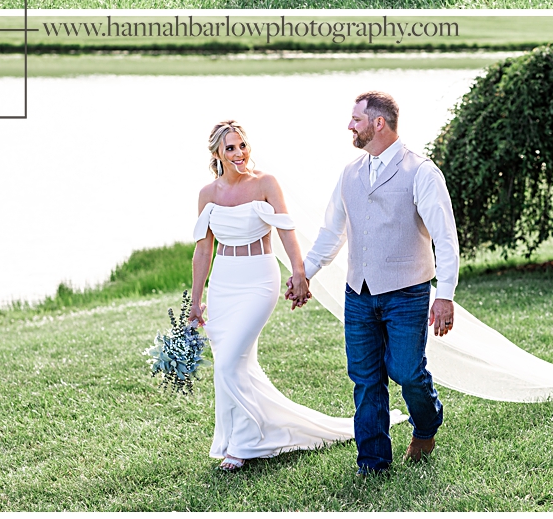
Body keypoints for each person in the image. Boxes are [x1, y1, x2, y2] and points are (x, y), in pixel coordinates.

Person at [290, 91, 460, 475]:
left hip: (407, 291)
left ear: (378, 123)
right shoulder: (349, 172)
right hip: (359, 294)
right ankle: (373, 462)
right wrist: (305, 273)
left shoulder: (421, 171)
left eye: (356, 119)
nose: (350, 125)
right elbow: (332, 231)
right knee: (365, 379)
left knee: (406, 371)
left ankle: (427, 424)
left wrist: (445, 295)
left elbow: (445, 238)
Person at [188, 121, 352, 471]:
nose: (238, 153)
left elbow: (286, 231)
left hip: (259, 279)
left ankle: (244, 444)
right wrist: (195, 299)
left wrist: (299, 272)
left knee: (230, 361)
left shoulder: (265, 183)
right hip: (223, 284)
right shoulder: (207, 194)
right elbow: (203, 251)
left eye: (242, 145)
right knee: (237, 364)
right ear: (217, 153)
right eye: (230, 148)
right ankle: (246, 434)